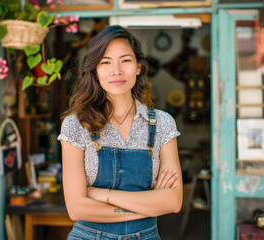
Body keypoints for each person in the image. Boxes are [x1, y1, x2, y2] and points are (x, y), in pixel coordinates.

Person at [58, 25, 183, 240]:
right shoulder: (76, 125)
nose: (116, 70)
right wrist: (149, 204)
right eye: (105, 62)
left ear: (138, 67)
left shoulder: (162, 124)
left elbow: (173, 202)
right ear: (95, 70)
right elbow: (77, 209)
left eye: (125, 60)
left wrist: (103, 195)